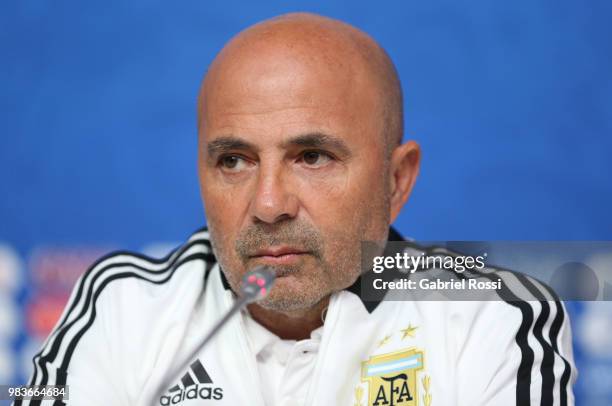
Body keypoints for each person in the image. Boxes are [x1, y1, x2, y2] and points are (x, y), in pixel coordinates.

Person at [17, 12, 575, 406]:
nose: (267, 204)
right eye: (234, 161)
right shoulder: (122, 306)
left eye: (312, 156)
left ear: (396, 180)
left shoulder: (493, 315)